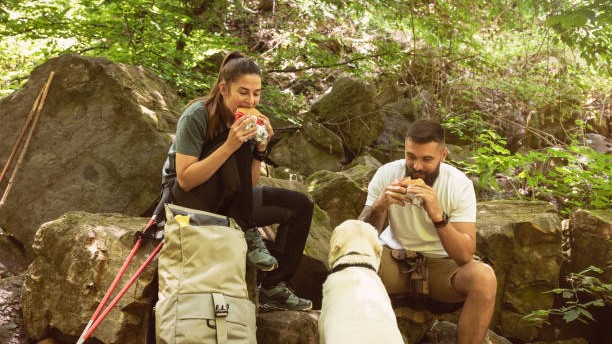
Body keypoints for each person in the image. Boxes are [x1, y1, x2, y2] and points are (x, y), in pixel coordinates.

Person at [161, 51, 313, 311]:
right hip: (188, 200)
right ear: (223, 88)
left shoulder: (247, 120)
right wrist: (231, 145)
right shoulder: (196, 116)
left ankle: (274, 286)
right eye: (243, 92)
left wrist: (260, 150)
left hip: (232, 200)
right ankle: (248, 230)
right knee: (237, 142)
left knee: (300, 205)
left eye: (257, 93)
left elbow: (249, 185)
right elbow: (185, 180)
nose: (251, 99)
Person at [358, 119, 497, 344]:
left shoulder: (459, 184)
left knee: (484, 277)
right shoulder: (386, 174)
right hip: (395, 261)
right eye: (411, 157)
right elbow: (359, 237)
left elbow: (464, 255)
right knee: (353, 257)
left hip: (441, 269)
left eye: (427, 159)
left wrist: (438, 216)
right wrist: (379, 207)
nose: (417, 166)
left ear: (443, 156)